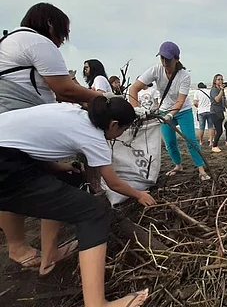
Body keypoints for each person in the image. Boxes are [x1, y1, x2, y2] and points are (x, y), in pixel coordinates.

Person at [0, 96, 154, 306]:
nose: (120, 135)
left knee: (67, 180)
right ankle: (97, 303)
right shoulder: (94, 137)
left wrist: (60, 168)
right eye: (122, 130)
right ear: (113, 124)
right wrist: (139, 194)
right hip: (6, 167)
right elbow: (114, 183)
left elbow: (32, 141)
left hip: (11, 153)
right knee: (95, 212)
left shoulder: (72, 112)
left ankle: (50, 256)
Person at [0, 2, 101, 270]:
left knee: (26, 182)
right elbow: (64, 89)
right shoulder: (36, 41)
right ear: (51, 26)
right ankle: (24, 248)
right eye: (62, 35)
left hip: (11, 127)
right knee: (26, 184)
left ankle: (38, 250)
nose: (60, 43)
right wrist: (101, 100)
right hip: (15, 130)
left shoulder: (8, 42)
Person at [128, 41, 211, 181]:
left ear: (176, 59)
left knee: (190, 140)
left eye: (168, 59)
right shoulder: (156, 70)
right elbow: (133, 89)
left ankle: (201, 168)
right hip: (163, 109)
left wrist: (171, 114)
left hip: (182, 110)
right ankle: (178, 165)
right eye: (162, 58)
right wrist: (136, 110)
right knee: (169, 142)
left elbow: (180, 100)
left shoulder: (184, 75)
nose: (165, 61)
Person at [210, 74, 227, 153]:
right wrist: (221, 90)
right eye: (218, 79)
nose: (220, 81)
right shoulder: (214, 90)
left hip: (223, 112)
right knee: (219, 130)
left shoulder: (222, 90)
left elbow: (224, 101)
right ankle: (214, 146)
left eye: (221, 79)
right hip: (215, 112)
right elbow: (217, 99)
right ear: (215, 81)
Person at [193, 82, 214, 147]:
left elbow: (195, 103)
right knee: (211, 127)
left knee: (201, 127)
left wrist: (198, 107)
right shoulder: (209, 91)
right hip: (210, 110)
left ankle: (201, 142)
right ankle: (211, 142)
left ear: (199, 87)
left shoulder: (197, 92)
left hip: (201, 111)